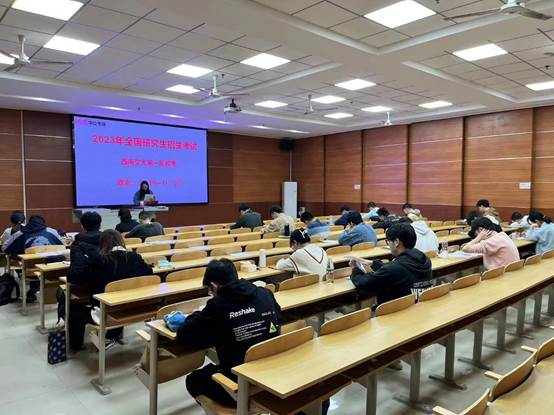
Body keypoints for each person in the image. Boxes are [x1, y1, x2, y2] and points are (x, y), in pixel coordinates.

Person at [177, 259, 281, 409]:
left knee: (194, 380)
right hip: (271, 374)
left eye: (210, 290)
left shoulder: (217, 306)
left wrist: (196, 315)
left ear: (214, 286)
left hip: (242, 385)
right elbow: (279, 317)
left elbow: (185, 335)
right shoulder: (265, 293)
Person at [67, 229, 153, 351]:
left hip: (106, 313)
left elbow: (76, 278)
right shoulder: (135, 257)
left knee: (75, 312)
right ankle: (112, 335)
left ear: (102, 244)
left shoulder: (100, 261)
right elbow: (149, 273)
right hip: (134, 307)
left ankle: (75, 347)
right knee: (117, 301)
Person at [350, 222, 433, 305]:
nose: (388, 245)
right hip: (418, 306)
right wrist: (373, 264)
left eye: (388, 241)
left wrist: (355, 269)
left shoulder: (394, 269)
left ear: (396, 242)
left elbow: (363, 283)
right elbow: (397, 269)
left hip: (396, 310)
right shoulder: (425, 259)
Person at [2, 215, 64, 302]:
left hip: (29, 271)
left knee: (26, 261)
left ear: (29, 223)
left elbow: (5, 248)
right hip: (52, 270)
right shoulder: (52, 231)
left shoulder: (20, 233)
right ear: (43, 223)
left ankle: (33, 289)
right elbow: (62, 244)